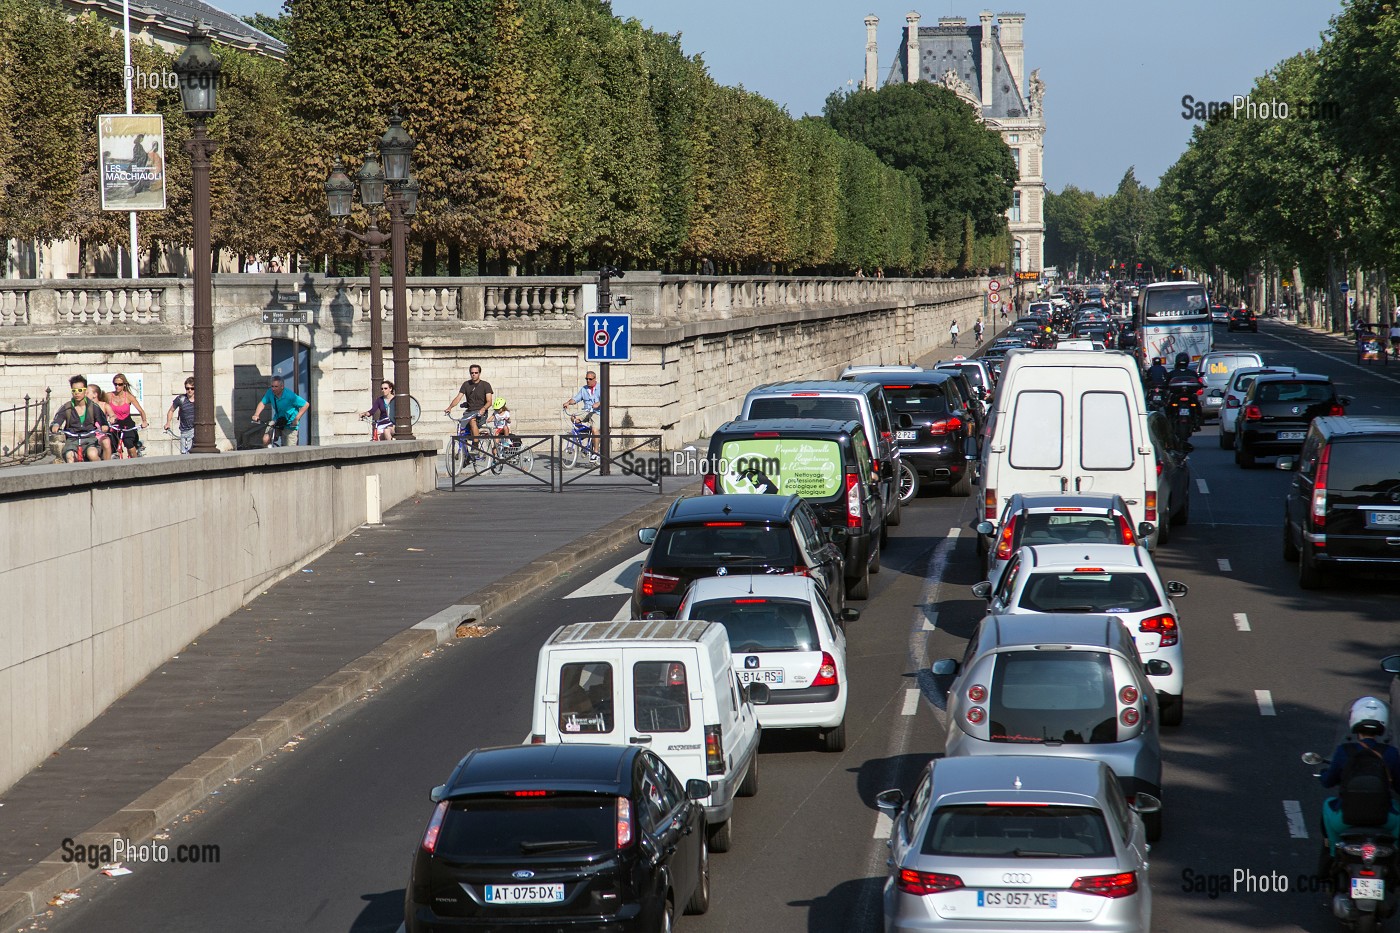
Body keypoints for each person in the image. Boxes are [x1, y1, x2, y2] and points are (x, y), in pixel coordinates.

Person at [1317, 697, 1400, 862]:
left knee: (1327, 806)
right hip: (1384, 820)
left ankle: (1334, 852)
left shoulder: (1343, 751)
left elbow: (1327, 781)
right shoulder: (1391, 753)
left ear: (1353, 719)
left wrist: (1324, 773)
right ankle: (1395, 855)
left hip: (1345, 819)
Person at [50, 374, 107, 463]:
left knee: (92, 454)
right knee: (70, 457)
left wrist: (104, 426)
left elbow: (103, 420)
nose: (77, 393)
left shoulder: (93, 406)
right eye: (74, 390)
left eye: (80, 390)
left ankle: (101, 474)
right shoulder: (67, 407)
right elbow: (57, 419)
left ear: (85, 391)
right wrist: (56, 425)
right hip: (72, 440)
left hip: (89, 439)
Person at [251, 376, 309, 447]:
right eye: (272, 386)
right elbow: (262, 403)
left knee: (288, 448)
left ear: (282, 387)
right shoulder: (270, 392)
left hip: (290, 423)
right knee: (266, 439)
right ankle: (269, 454)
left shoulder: (290, 396)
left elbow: (306, 404)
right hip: (277, 420)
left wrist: (296, 419)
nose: (273, 389)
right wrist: (256, 415)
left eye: (276, 386)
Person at [444, 364, 493, 442]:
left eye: (476, 373)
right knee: (462, 429)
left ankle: (475, 446)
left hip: (481, 413)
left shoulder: (485, 385)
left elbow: (489, 401)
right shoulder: (466, 384)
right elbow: (458, 397)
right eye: (472, 373)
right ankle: (463, 452)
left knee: (472, 421)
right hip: (469, 412)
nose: (473, 374)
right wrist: (450, 407)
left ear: (479, 373)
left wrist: (483, 409)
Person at [562, 371, 601, 459]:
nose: (588, 380)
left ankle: (596, 453)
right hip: (586, 411)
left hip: (597, 412)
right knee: (573, 417)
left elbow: (605, 399)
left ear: (595, 379)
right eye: (586, 379)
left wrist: (598, 403)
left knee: (595, 429)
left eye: (590, 379)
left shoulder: (600, 388)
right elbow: (576, 399)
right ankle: (584, 434)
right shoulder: (584, 389)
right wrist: (568, 403)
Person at [108, 373, 149, 456]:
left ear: (124, 385)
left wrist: (144, 421)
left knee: (129, 443)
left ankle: (135, 462)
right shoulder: (109, 396)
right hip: (115, 424)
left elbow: (141, 411)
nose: (117, 386)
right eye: (115, 384)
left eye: (120, 384)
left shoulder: (129, 397)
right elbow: (102, 407)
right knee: (112, 446)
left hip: (127, 423)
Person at [165, 378, 196, 454]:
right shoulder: (181, 399)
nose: (190, 390)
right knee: (185, 454)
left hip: (196, 430)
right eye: (187, 388)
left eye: (192, 388)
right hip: (185, 431)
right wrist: (168, 423)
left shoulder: (200, 400)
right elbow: (171, 410)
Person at [86, 384, 116, 460]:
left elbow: (112, 414)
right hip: (88, 434)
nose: (84, 394)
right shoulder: (83, 406)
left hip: (100, 434)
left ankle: (107, 464)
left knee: (106, 441)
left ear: (95, 395)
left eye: (87, 392)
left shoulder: (104, 405)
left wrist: (112, 418)